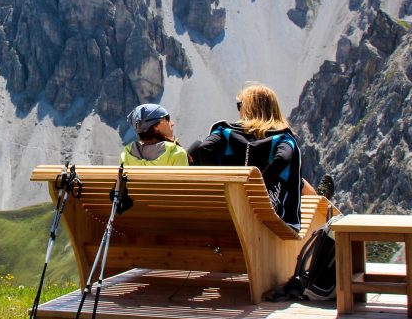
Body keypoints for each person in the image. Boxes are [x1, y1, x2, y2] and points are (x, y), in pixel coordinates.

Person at [188, 83, 305, 230]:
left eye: (240, 105)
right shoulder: (283, 138)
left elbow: (204, 148)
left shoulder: (225, 132)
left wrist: (220, 183)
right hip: (269, 223)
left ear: (247, 107)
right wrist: (257, 187)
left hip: (227, 213)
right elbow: (282, 158)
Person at [121, 103, 190, 166]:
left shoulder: (126, 155)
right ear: (156, 126)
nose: (172, 123)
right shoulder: (176, 154)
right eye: (167, 119)